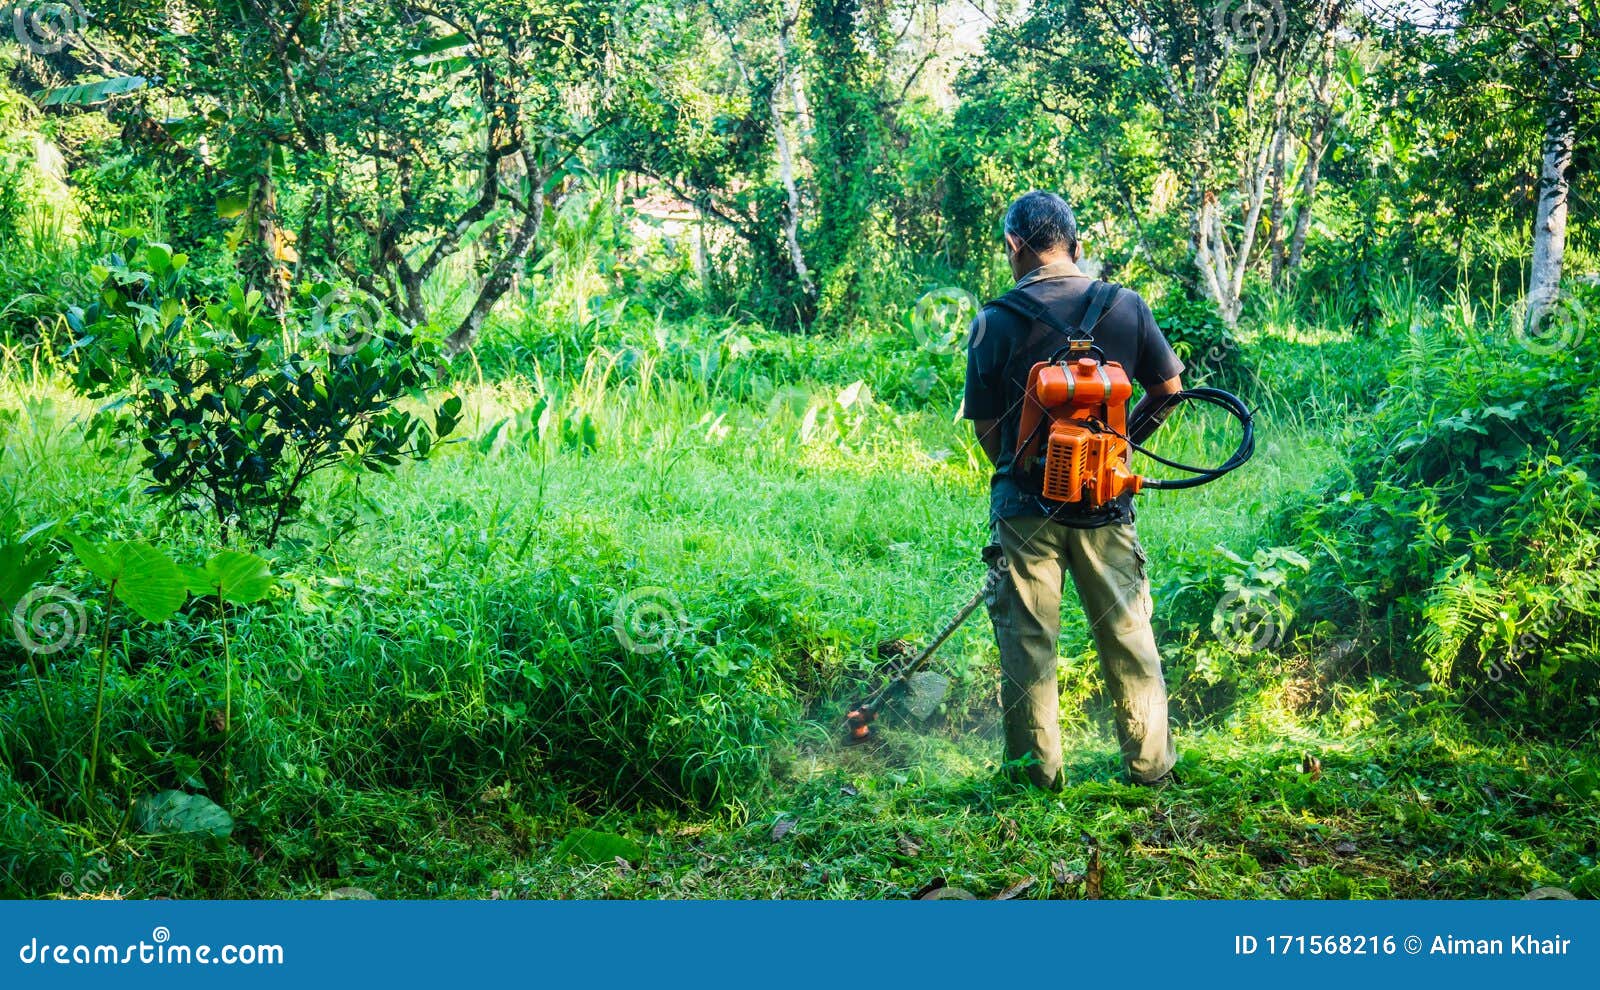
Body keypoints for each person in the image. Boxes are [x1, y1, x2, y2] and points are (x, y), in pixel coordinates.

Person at [963, 190, 1184, 790]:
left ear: (1014, 246)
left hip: (1024, 509)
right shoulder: (1126, 305)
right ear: (1076, 243)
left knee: (1027, 643)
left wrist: (1023, 469)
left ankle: (1034, 781)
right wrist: (1117, 448)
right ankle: (1150, 767)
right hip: (1107, 503)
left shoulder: (992, 320)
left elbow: (986, 425)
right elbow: (1169, 389)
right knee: (1127, 633)